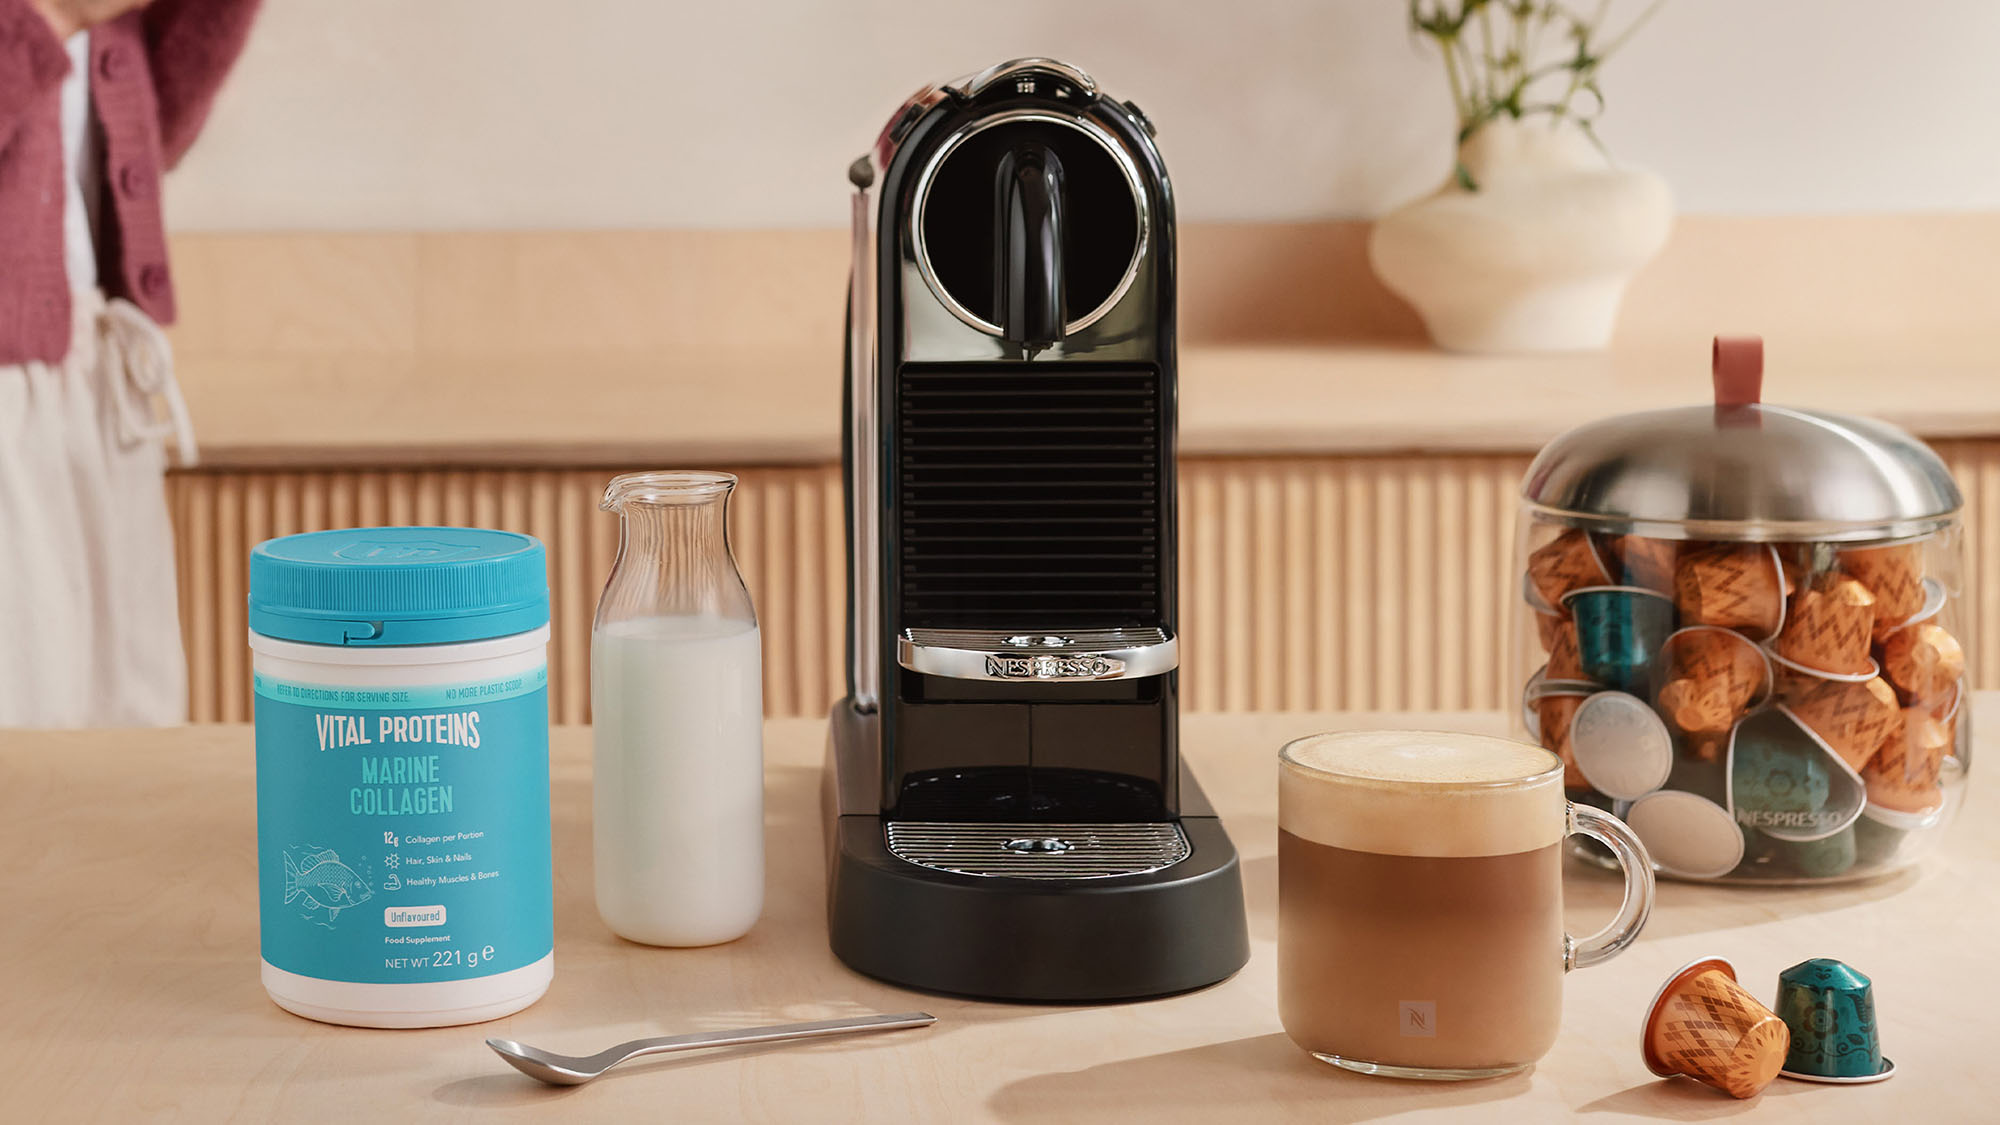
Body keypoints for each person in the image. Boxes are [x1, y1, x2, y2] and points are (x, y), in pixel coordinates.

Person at [0, 0, 260, 726]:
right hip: (14, 386)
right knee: (26, 718)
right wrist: (51, 16)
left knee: (127, 715)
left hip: (96, 369)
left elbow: (150, 133)